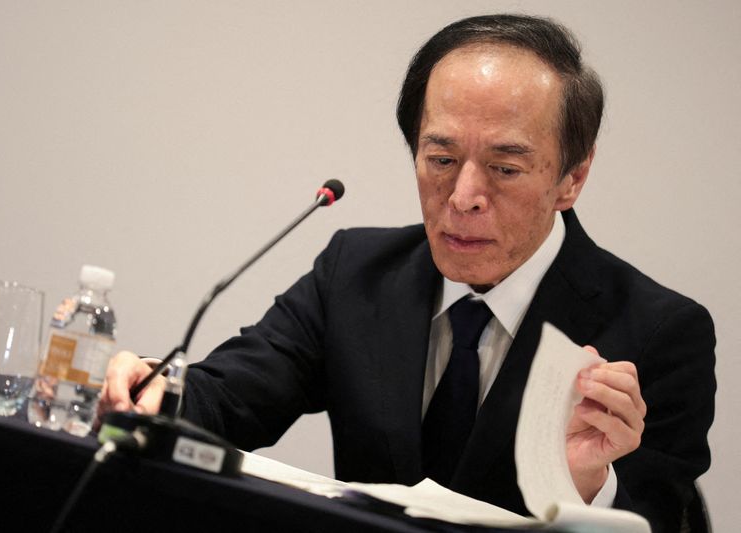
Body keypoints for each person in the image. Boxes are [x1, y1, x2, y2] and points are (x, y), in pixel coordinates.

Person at [100, 14, 715, 532]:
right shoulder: (355, 274)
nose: (464, 195)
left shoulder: (661, 332)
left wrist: (588, 485)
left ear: (572, 177)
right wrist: (159, 391)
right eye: (441, 158)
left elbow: (657, 517)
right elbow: (229, 397)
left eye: (505, 168)